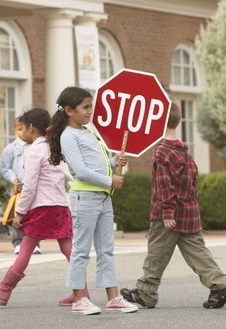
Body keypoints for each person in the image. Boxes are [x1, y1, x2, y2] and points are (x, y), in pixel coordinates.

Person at [120, 101, 226, 309]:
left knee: (157, 252)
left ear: (157, 122)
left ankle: (146, 292)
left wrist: (167, 211)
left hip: (167, 215)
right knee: (197, 252)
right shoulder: (185, 152)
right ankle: (220, 285)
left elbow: (164, 185)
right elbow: (192, 183)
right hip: (189, 213)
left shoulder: (162, 152)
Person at [48, 86, 138, 315]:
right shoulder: (68, 136)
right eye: (85, 107)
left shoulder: (89, 132)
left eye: (91, 107)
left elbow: (102, 159)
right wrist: (110, 181)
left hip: (103, 198)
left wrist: (117, 159)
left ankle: (113, 297)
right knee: (81, 250)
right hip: (85, 198)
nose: (90, 112)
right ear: (68, 110)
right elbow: (80, 170)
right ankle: (79, 299)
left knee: (106, 249)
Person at [0, 108, 72, 306]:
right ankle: (81, 291)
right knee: (68, 249)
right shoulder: (53, 147)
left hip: (41, 207)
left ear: (31, 128)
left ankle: (4, 289)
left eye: (22, 129)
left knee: (26, 248)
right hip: (61, 205)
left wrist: (20, 212)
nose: (21, 134)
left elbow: (29, 186)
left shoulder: (34, 151)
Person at [1, 116, 41, 255]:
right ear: (14, 130)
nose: (21, 133)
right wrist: (13, 178)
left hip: (33, 186)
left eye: (23, 129)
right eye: (18, 130)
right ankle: (17, 242)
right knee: (16, 215)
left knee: (33, 215)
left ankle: (34, 243)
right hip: (18, 187)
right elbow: (5, 167)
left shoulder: (35, 147)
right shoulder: (10, 149)